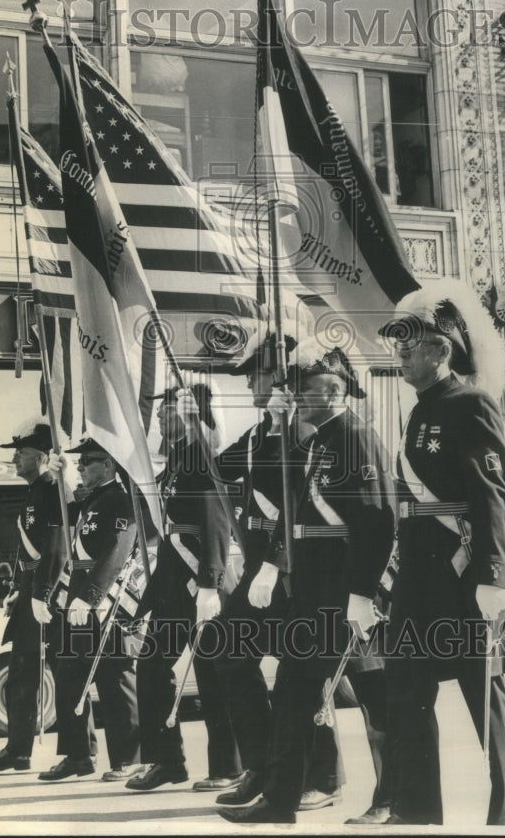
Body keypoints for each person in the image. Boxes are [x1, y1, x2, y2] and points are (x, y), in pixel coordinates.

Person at [377, 282, 505, 826]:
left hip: (459, 574)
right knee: (405, 691)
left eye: (410, 342)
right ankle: (416, 808)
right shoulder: (417, 412)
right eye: (397, 342)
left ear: (441, 351)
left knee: (483, 692)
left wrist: (494, 575)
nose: (400, 351)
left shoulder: (470, 403)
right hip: (416, 579)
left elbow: (492, 493)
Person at [218, 349, 395, 825]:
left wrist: (361, 593)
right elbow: (286, 503)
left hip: (350, 592)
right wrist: (273, 567)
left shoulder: (356, 437)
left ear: (334, 392)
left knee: (377, 700)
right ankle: (279, 802)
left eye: (305, 390)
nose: (295, 396)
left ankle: (391, 798)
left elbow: (378, 522)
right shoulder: (318, 440)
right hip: (313, 592)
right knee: (294, 692)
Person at [125, 376, 243, 793]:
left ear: (192, 411)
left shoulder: (202, 455)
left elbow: (216, 521)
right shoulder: (177, 458)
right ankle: (167, 761)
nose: (159, 413)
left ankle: (228, 766)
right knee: (153, 666)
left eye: (168, 406)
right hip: (176, 583)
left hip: (201, 583)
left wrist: (209, 584)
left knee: (214, 676)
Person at [206, 332, 297, 809]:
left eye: (257, 375)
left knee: (303, 676)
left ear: (280, 373)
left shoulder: (301, 427)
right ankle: (262, 767)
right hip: (262, 572)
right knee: (227, 650)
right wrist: (199, 427)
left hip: (292, 571)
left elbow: (300, 500)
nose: (250, 385)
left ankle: (320, 777)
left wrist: (273, 564)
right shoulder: (263, 429)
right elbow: (220, 468)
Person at [37, 438, 142, 783]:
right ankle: (78, 755)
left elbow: (117, 550)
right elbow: (61, 517)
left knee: (114, 678)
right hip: (77, 599)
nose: (80, 466)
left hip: (107, 601)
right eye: (79, 462)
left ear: (109, 465)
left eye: (88, 461)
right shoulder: (91, 498)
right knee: (69, 675)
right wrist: (57, 477)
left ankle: (128, 758)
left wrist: (92, 596)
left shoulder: (123, 501)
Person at [0, 420, 66, 773]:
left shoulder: (52, 489)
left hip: (50, 595)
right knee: (22, 675)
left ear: (42, 457)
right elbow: (28, 548)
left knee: (64, 674)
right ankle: (18, 751)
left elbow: (56, 549)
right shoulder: (35, 490)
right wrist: (17, 589)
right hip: (31, 592)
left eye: (22, 453)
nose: (15, 458)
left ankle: (79, 752)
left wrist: (41, 594)